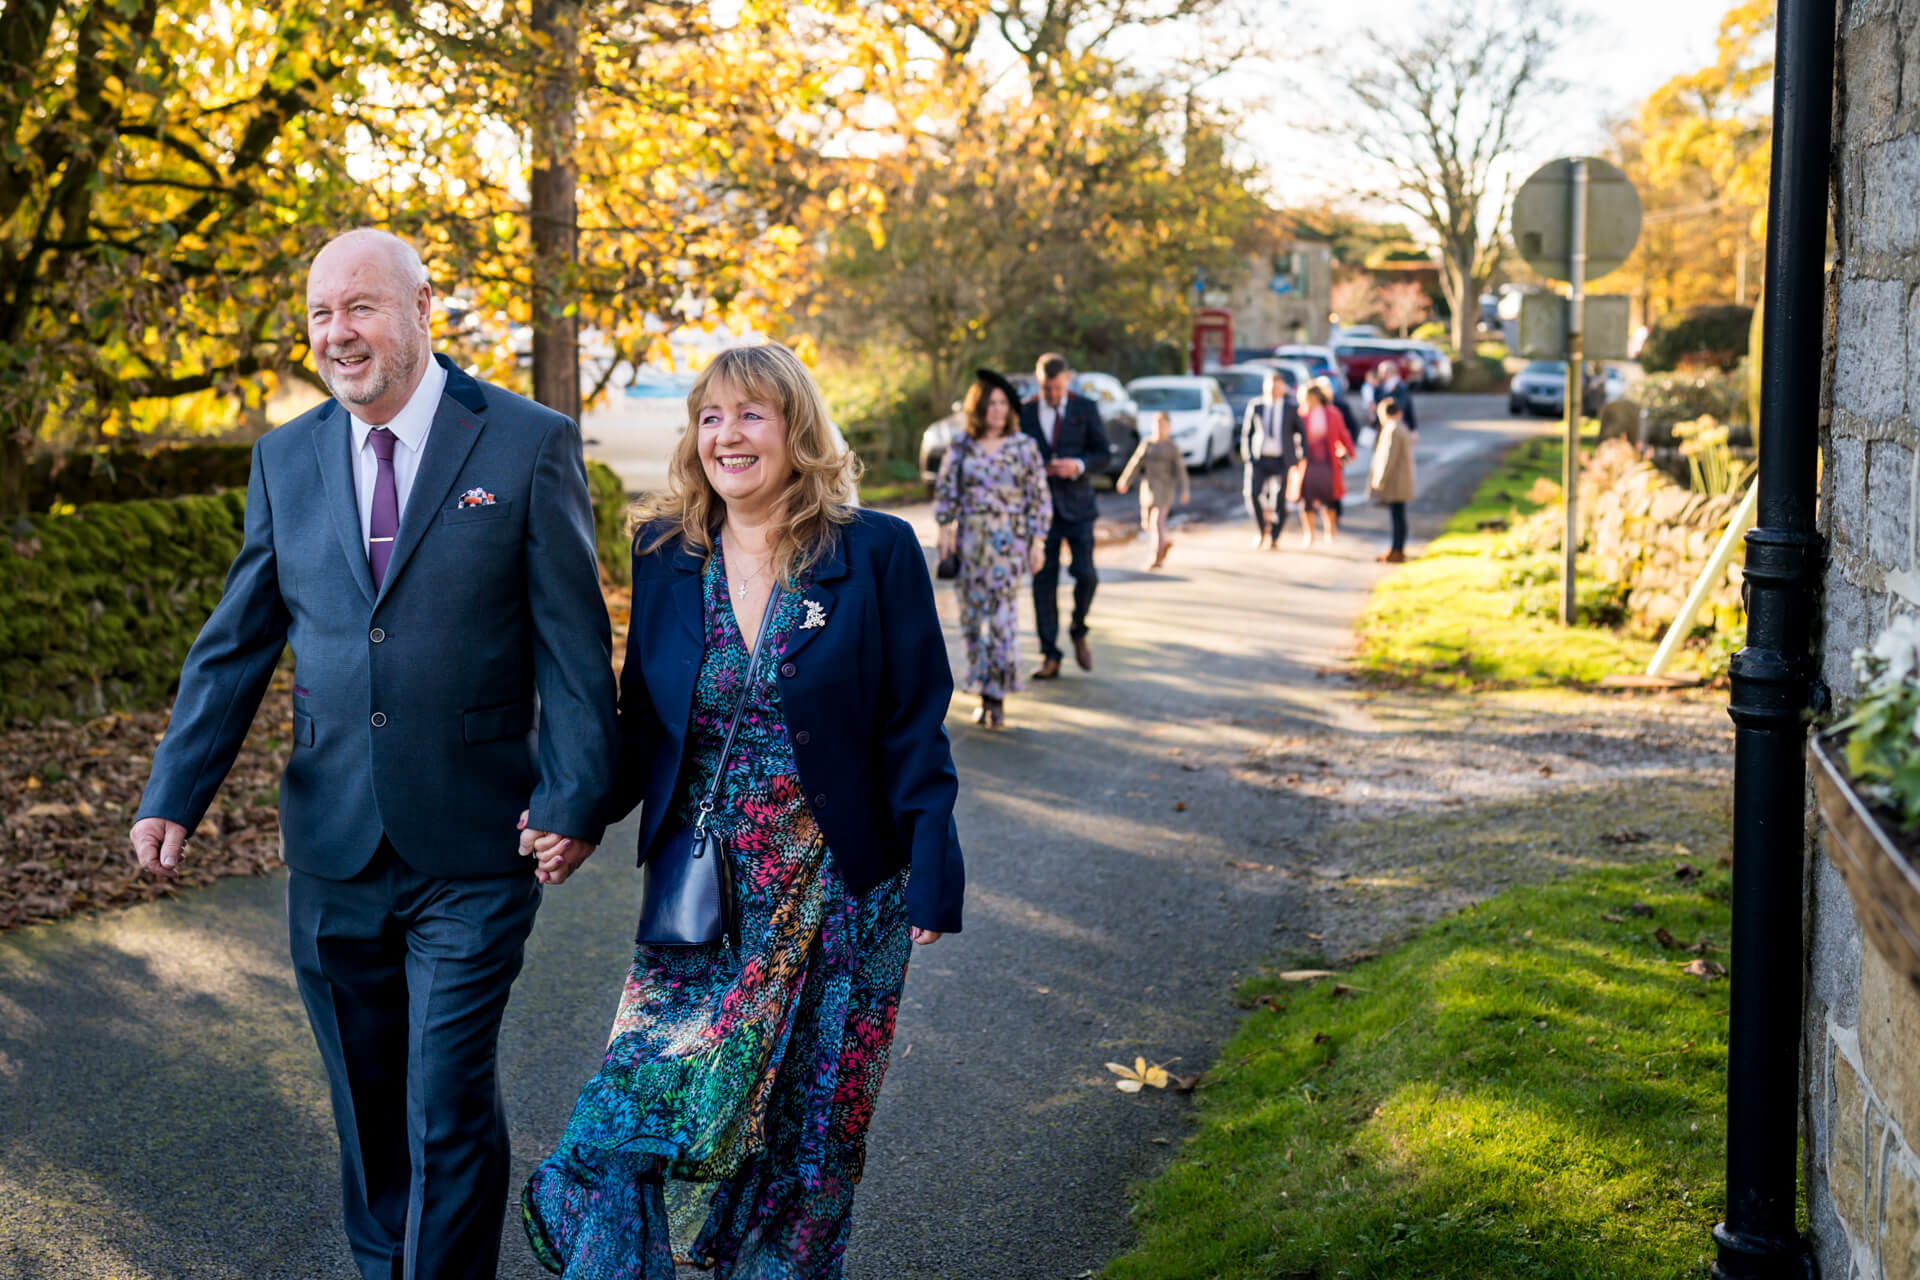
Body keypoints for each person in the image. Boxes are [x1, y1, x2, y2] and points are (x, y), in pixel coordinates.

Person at [128, 228, 618, 1280]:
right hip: (332, 841)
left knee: (443, 1099)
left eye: (360, 306)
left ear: (422, 306)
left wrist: (577, 792)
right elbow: (235, 643)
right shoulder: (285, 456)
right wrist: (176, 790)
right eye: (320, 314)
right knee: (365, 1106)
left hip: (477, 841)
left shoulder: (526, 441)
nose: (339, 332)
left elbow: (575, 648)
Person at [521, 342, 964, 1278]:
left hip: (848, 893)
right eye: (712, 416)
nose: (729, 435)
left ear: (796, 430)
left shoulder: (874, 551)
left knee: (813, 1144)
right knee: (627, 1120)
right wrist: (580, 814)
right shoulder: (665, 553)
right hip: (705, 898)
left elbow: (913, 722)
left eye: (752, 414)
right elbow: (644, 722)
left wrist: (934, 864)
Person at [934, 368, 1052, 728]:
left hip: (1010, 544)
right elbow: (946, 493)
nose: (998, 410)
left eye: (1003, 404)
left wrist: (1038, 542)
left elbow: (1039, 497)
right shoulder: (961, 446)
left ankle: (997, 696)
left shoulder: (1024, 447)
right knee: (972, 621)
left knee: (1002, 621)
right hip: (970, 544)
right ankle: (981, 688)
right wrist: (944, 532)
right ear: (978, 408)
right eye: (991, 404)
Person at [1020, 352, 1111, 678]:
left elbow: (1103, 454)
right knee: (1043, 584)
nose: (1052, 394)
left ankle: (1078, 629)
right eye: (1047, 388)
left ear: (1067, 380)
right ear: (1038, 381)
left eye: (1057, 388)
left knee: (1087, 575)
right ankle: (1050, 656)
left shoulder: (1086, 408)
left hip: (1079, 508)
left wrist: (1078, 465)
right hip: (1038, 513)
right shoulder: (1025, 412)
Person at [1117, 411, 1190, 569]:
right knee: (1147, 524)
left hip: (1165, 489)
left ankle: (1156, 558)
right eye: (1158, 425)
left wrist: (1184, 490)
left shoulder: (1172, 447)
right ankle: (1164, 542)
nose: (1161, 428)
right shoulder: (1147, 443)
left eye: (1164, 425)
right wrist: (1125, 480)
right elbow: (1135, 463)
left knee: (1157, 522)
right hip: (1148, 488)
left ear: (1169, 428)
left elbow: (1180, 470)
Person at [1240, 370, 1301, 549]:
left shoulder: (1291, 408)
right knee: (1252, 493)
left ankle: (1275, 535)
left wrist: (1301, 455)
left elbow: (1300, 431)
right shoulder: (1256, 406)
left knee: (1280, 499)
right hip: (1260, 458)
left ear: (1283, 389)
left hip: (1282, 459)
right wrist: (1248, 455)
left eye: (1278, 387)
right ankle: (1262, 530)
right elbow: (1247, 433)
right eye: (1271, 386)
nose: (1274, 390)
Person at [1293, 381, 1356, 548]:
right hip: (1307, 463)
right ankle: (1309, 534)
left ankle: (1330, 531)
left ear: (1317, 397)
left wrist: (1349, 451)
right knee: (1306, 500)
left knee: (1329, 499)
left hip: (1327, 462)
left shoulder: (1332, 414)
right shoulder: (1301, 414)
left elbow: (1343, 434)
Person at [1368, 396, 1417, 563]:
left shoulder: (1392, 429)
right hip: (1401, 478)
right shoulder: (1400, 427)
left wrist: (1380, 479)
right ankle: (1396, 549)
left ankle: (1397, 550)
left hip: (1396, 480)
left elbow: (1389, 456)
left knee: (1397, 516)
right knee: (1398, 515)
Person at [1374, 360, 1419, 433]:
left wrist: (1413, 428)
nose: (1380, 374)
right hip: (1383, 424)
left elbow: (1406, 407)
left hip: (1397, 425)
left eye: (1382, 371)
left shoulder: (1401, 387)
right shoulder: (1379, 387)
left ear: (1391, 372)